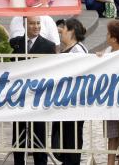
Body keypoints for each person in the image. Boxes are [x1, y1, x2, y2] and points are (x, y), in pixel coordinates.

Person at [10, 16, 56, 165]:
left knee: (39, 132)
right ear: (25, 25)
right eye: (32, 23)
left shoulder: (49, 46)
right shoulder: (15, 44)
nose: (36, 26)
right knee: (19, 131)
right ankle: (18, 161)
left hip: (39, 96)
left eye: (38, 23)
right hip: (20, 96)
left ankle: (40, 162)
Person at [52, 18, 87, 165]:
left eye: (64, 29)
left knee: (71, 138)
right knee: (64, 137)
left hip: (73, 103)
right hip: (64, 101)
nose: (61, 32)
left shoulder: (77, 50)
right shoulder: (67, 49)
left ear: (72, 31)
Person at [98, 21, 119, 165]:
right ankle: (110, 161)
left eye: (108, 34)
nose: (106, 36)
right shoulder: (107, 51)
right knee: (112, 135)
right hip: (110, 101)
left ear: (114, 38)